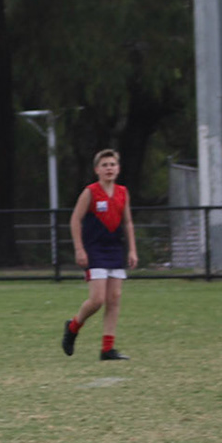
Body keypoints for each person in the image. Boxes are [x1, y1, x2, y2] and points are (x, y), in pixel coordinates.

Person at [62, 148, 138, 361]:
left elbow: (128, 222)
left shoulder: (123, 192)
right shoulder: (90, 192)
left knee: (114, 299)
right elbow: (75, 220)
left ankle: (107, 349)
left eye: (112, 164)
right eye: (104, 165)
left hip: (115, 249)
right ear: (97, 169)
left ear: (118, 168)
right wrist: (79, 249)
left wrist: (132, 249)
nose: (109, 168)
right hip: (94, 250)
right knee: (97, 300)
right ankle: (73, 327)